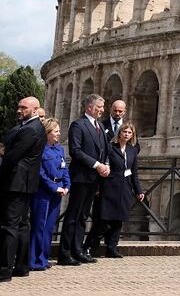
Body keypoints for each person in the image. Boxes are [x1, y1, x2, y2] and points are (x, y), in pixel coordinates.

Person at [59, 93, 110, 266]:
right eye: (99, 107)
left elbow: (105, 150)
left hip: (94, 178)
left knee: (82, 216)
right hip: (81, 176)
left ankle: (77, 250)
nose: (102, 111)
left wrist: (107, 164)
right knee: (73, 215)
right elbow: (76, 150)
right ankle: (65, 253)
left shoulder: (100, 127)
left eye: (103, 108)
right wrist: (97, 165)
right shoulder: (78, 125)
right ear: (89, 107)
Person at [0, 96, 46, 282]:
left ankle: (4, 270)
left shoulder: (30, 130)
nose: (19, 110)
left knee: (9, 226)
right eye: (18, 107)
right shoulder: (28, 127)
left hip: (16, 183)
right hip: (24, 183)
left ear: (35, 110)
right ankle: (21, 266)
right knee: (21, 226)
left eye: (24, 108)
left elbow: (11, 157)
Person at [87, 123, 143, 258]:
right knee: (104, 221)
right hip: (110, 185)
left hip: (125, 187)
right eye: (124, 132)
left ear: (132, 135)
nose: (127, 134)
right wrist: (98, 187)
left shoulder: (132, 150)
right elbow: (104, 167)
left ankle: (112, 248)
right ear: (119, 133)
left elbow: (134, 172)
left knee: (119, 220)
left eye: (129, 133)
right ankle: (88, 246)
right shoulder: (111, 148)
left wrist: (138, 190)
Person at [28, 118, 69, 271]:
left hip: (57, 191)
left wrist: (66, 185)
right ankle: (34, 260)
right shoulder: (40, 149)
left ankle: (43, 259)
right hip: (44, 191)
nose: (59, 134)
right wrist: (53, 187)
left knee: (49, 227)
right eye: (56, 131)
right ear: (48, 133)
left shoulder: (59, 149)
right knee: (39, 225)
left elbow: (64, 168)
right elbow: (40, 172)